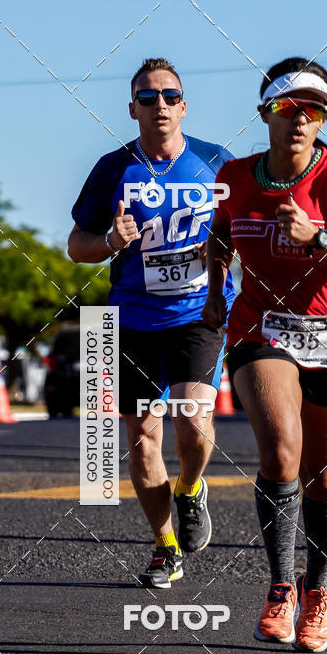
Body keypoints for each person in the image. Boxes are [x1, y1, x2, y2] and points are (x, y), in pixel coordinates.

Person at [202, 56, 327, 652]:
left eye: (315, 110)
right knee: (281, 454)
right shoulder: (235, 175)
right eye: (289, 108)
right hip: (260, 331)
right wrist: (213, 294)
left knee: (323, 475)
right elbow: (221, 236)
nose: (302, 119)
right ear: (265, 113)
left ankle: (318, 591)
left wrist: (320, 237)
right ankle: (280, 587)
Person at [68, 57, 235, 587]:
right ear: (133, 108)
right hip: (134, 316)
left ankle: (190, 489)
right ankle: (166, 547)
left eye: (169, 95)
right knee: (142, 438)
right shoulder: (113, 168)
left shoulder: (216, 162)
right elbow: (77, 247)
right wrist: (111, 242)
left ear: (183, 105)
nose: (158, 104)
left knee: (192, 419)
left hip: (198, 312)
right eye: (147, 97)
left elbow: (242, 236)